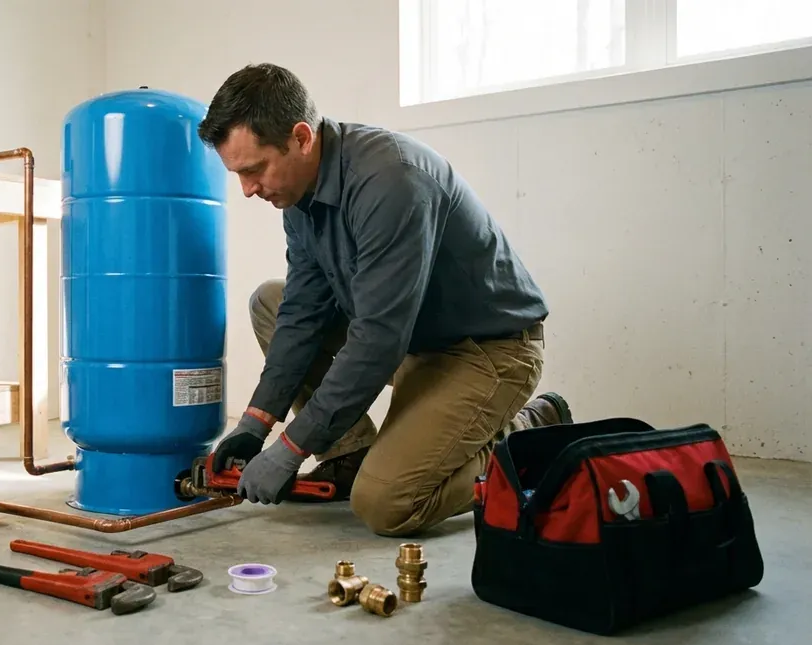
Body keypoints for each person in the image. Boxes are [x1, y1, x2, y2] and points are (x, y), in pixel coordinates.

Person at [196, 63, 573, 537]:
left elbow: (376, 341)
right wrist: (256, 422)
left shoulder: (391, 180)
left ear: (301, 138)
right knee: (271, 300)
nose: (248, 190)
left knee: (387, 503)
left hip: (485, 352)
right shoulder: (296, 195)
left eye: (253, 170)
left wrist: (291, 447)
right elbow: (302, 313)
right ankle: (349, 454)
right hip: (411, 339)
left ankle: (529, 431)